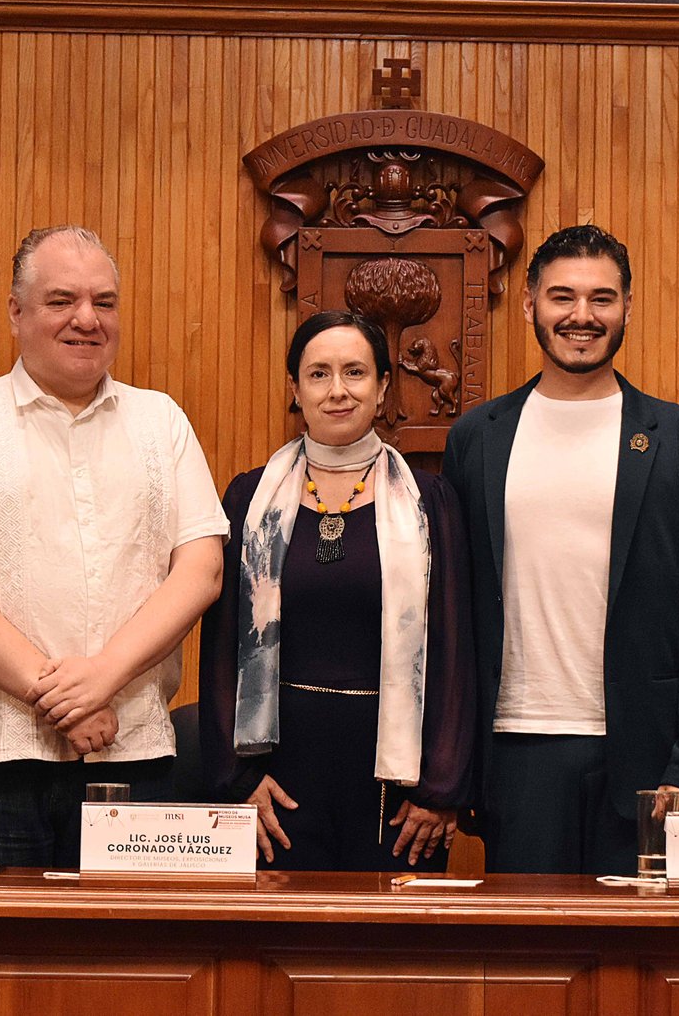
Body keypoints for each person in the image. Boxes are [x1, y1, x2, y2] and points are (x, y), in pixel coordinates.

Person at [0, 225, 228, 868]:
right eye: (61, 301)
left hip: (130, 754)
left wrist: (102, 678)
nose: (87, 319)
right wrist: (61, 698)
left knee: (132, 966)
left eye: (104, 302)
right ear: (16, 313)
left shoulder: (161, 421)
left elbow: (201, 569)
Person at [441, 224, 679, 874]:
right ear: (529, 305)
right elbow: (452, 612)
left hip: (649, 759)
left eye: (602, 298)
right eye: (562, 296)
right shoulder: (477, 439)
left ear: (628, 307)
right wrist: (452, 766)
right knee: (532, 964)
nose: (581, 315)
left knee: (644, 965)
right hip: (515, 748)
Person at [201, 311, 474, 870]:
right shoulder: (250, 499)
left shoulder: (430, 501)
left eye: (355, 372)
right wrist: (238, 779)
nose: (338, 391)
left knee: (388, 953)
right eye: (319, 374)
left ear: (382, 387)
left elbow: (456, 649)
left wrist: (439, 789)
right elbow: (222, 646)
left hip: (398, 791)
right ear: (295, 390)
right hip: (277, 778)